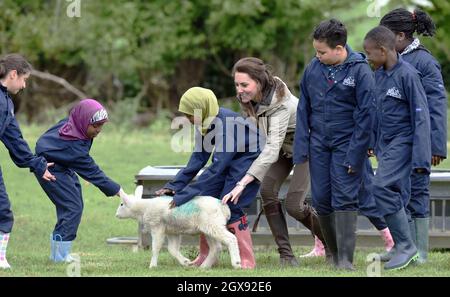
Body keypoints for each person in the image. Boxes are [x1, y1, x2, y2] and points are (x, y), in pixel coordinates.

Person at [221, 57, 327, 267]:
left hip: (307, 148)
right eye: (236, 84)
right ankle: (286, 256)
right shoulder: (249, 99)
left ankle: (332, 245)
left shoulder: (281, 105)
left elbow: (270, 148)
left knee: (294, 205)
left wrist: (243, 182)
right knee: (267, 191)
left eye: (244, 85)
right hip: (283, 149)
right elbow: (259, 134)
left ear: (259, 82)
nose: (239, 90)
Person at [293, 19, 375, 270]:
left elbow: (367, 114)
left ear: (339, 49)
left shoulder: (360, 71)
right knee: (320, 198)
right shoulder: (313, 69)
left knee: (345, 198)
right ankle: (333, 253)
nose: (317, 56)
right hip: (319, 143)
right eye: (316, 51)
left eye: (322, 52)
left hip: (348, 144)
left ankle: (345, 260)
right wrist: (301, 148)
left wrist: (357, 153)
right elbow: (303, 108)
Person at [155, 87, 262, 269]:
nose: (188, 119)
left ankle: (246, 259)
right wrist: (174, 187)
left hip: (248, 160)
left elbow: (217, 167)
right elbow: (198, 159)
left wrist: (184, 195)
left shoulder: (227, 125)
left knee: (230, 202)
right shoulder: (204, 123)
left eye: (190, 114)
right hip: (228, 160)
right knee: (205, 201)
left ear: (201, 108)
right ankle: (206, 257)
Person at [380, 7, 447, 264]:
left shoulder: (425, 62)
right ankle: (402, 248)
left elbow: (436, 106)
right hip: (394, 142)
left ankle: (420, 253)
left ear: (399, 36)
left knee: (417, 192)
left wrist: (436, 146)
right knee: (396, 191)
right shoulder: (389, 61)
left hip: (419, 143)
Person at [363, 25, 431, 270]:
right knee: (397, 195)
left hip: (404, 142)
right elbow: (376, 111)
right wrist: (371, 142)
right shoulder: (379, 74)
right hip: (385, 144)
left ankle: (405, 246)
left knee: (380, 187)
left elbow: (421, 117)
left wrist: (422, 159)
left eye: (369, 53)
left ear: (382, 50)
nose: (367, 58)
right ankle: (401, 247)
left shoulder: (408, 75)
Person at [34, 99, 129, 263]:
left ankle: (59, 252)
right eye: (95, 126)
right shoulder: (74, 145)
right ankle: (59, 256)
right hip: (51, 170)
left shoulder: (72, 126)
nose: (98, 130)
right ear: (83, 121)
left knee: (74, 204)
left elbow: (45, 142)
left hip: (64, 166)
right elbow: (93, 171)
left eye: (101, 126)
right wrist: (119, 191)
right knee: (72, 208)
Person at [0, 54, 55, 269]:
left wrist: (37, 164)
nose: (24, 85)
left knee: (2, 210)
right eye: (24, 79)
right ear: (13, 74)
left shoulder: (7, 103)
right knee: (2, 210)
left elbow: (14, 139)